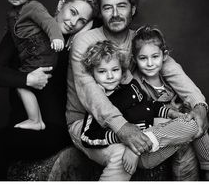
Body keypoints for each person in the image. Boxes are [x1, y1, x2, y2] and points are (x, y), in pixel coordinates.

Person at [66, 0, 208, 181]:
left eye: (121, 6)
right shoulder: (85, 41)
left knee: (188, 129)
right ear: (100, 11)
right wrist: (123, 128)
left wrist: (199, 104)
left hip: (134, 117)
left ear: (132, 9)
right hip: (88, 124)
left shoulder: (138, 40)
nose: (115, 14)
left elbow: (172, 69)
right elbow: (90, 92)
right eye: (107, 8)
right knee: (122, 158)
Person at [0, 0, 96, 180]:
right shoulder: (26, 30)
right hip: (20, 124)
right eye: (72, 12)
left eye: (81, 20)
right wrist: (26, 79)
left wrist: (85, 30)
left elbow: (101, 23)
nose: (74, 22)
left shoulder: (74, 45)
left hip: (54, 130)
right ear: (61, 4)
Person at [80, 39, 209, 179]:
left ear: (122, 70)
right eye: (102, 71)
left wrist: (172, 113)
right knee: (191, 125)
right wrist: (121, 137)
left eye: (115, 70)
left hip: (153, 143)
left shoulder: (131, 86)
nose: (110, 76)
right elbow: (87, 137)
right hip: (141, 154)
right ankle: (142, 144)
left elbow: (149, 105)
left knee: (193, 122)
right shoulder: (101, 100)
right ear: (92, 73)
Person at [132, 25, 209, 180]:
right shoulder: (135, 84)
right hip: (158, 130)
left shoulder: (167, 76)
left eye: (155, 57)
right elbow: (143, 116)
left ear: (164, 55)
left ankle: (207, 165)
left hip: (181, 124)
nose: (149, 63)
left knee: (195, 127)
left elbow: (190, 95)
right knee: (189, 130)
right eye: (143, 58)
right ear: (134, 59)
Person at [0, 0, 65, 130]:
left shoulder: (33, 7)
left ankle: (36, 121)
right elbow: (14, 30)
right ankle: (37, 120)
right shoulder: (11, 12)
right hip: (30, 55)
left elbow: (49, 22)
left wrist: (57, 38)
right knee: (21, 84)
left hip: (41, 54)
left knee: (20, 83)